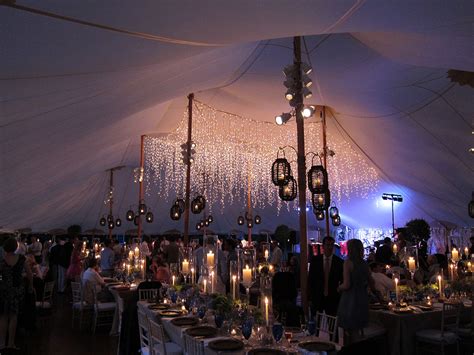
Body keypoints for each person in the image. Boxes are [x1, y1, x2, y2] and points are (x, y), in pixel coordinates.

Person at [337, 239, 380, 342]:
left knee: (349, 332)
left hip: (349, 300)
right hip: (362, 299)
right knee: (358, 329)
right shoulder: (364, 264)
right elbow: (372, 282)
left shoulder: (348, 263)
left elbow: (347, 285)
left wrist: (339, 287)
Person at [0, 237, 33, 351]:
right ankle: (11, 344)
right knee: (14, 316)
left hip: (4, 290)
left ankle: (2, 344)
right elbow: (30, 274)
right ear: (15, 247)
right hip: (17, 290)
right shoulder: (21, 258)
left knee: (3, 316)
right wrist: (30, 286)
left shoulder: (2, 259)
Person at [308, 236, 344, 316]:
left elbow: (342, 280)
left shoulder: (339, 262)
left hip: (333, 297)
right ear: (323, 246)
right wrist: (310, 297)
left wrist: (339, 293)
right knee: (315, 324)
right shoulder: (315, 260)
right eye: (328, 245)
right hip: (317, 297)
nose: (330, 247)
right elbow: (311, 279)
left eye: (332, 245)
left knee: (332, 325)